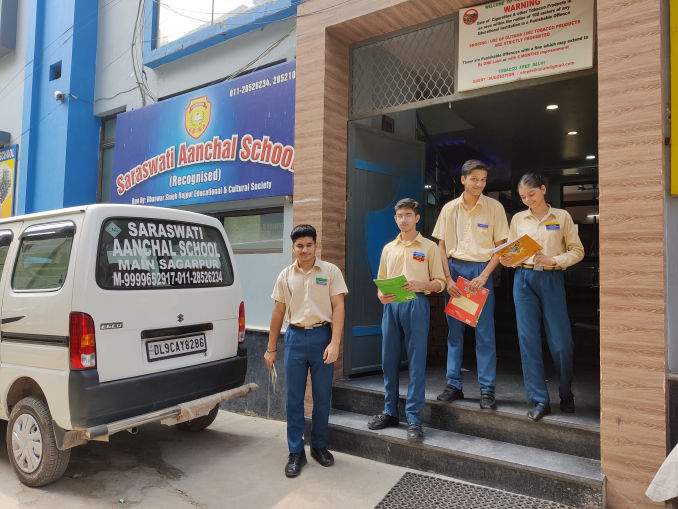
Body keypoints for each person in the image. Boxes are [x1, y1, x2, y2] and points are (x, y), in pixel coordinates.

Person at [264, 224, 348, 477]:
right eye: (299, 246)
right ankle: (296, 451)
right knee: (294, 399)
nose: (305, 250)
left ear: (316, 245)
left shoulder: (330, 271)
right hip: (295, 338)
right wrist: (271, 348)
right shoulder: (285, 275)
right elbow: (278, 311)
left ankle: (319, 447)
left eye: (309, 245)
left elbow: (339, 307)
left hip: (323, 337)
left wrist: (335, 343)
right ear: (293, 248)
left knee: (322, 397)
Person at [499, 173, 584, 421]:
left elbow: (577, 251)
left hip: (551, 278)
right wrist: (507, 260)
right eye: (523, 197)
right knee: (528, 339)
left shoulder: (562, 217)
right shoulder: (518, 219)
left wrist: (553, 260)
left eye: (532, 194)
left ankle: (566, 393)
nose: (528, 200)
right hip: (523, 279)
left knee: (561, 342)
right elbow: (513, 252)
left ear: (543, 190)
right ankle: (539, 400)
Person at [367, 198, 446, 441]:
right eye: (400, 216)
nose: (404, 220)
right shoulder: (388, 248)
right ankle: (390, 412)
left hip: (417, 303)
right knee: (388, 360)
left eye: (408, 215)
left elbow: (440, 283)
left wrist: (422, 284)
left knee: (416, 361)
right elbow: (380, 280)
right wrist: (381, 295)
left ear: (417, 218)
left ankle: (414, 418)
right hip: (392, 305)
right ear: (395, 219)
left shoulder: (429, 247)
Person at [432, 159, 509, 410]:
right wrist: (447, 278)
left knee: (485, 334)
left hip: (480, 272)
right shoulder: (449, 209)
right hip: (454, 271)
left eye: (483, 180)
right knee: (454, 334)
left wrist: (484, 275)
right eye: (474, 179)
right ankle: (453, 385)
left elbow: (501, 247)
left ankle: (487, 390)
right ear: (463, 179)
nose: (479, 184)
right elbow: (441, 246)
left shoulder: (494, 208)